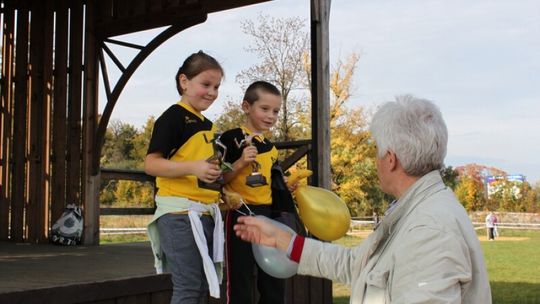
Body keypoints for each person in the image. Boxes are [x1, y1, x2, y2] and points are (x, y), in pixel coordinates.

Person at [233, 95, 492, 303]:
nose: (376, 160)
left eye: (377, 150)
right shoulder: (414, 210)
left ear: (390, 159)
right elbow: (359, 266)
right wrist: (284, 241)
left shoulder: (430, 229)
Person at [145, 51, 226, 304]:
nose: (212, 92)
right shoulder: (173, 117)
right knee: (189, 287)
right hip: (179, 215)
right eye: (206, 84)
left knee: (201, 286)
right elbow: (151, 164)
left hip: (205, 214)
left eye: (216, 86)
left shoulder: (209, 126)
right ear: (184, 81)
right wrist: (195, 167)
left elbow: (204, 170)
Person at [219, 81, 287, 304]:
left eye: (276, 111)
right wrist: (239, 163)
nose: (271, 116)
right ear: (246, 107)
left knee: (273, 279)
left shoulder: (271, 147)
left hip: (268, 215)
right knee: (241, 279)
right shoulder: (230, 138)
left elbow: (269, 181)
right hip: (240, 213)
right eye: (264, 109)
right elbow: (216, 178)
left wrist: (287, 184)